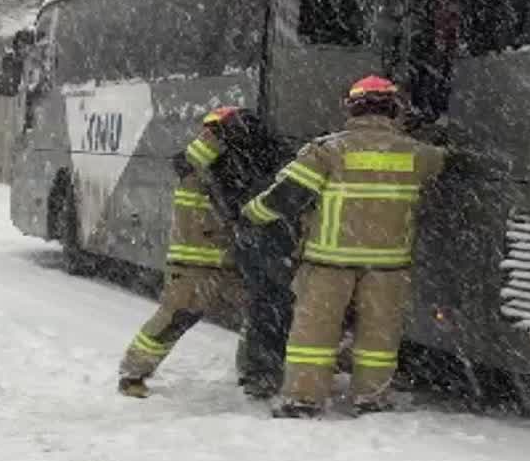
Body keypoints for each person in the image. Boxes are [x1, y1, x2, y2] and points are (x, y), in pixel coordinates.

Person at [242, 76, 446, 418]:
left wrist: (251, 213)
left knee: (314, 333)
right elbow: (445, 161)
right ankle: (370, 398)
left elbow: (287, 197)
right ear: (395, 108)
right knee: (379, 338)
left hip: (329, 262)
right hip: (388, 266)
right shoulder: (417, 154)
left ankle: (303, 399)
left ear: (351, 107)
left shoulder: (327, 150)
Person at [116, 107, 249, 398]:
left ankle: (250, 373)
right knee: (174, 318)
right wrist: (219, 133)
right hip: (194, 263)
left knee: (255, 316)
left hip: (225, 261)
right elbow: (194, 157)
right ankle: (133, 373)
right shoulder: (197, 162)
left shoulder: (230, 167)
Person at [193, 107, 297, 399]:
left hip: (251, 240)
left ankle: (258, 371)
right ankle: (268, 367)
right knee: (278, 303)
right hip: (281, 240)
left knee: (262, 303)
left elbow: (193, 168)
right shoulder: (280, 152)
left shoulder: (222, 162)